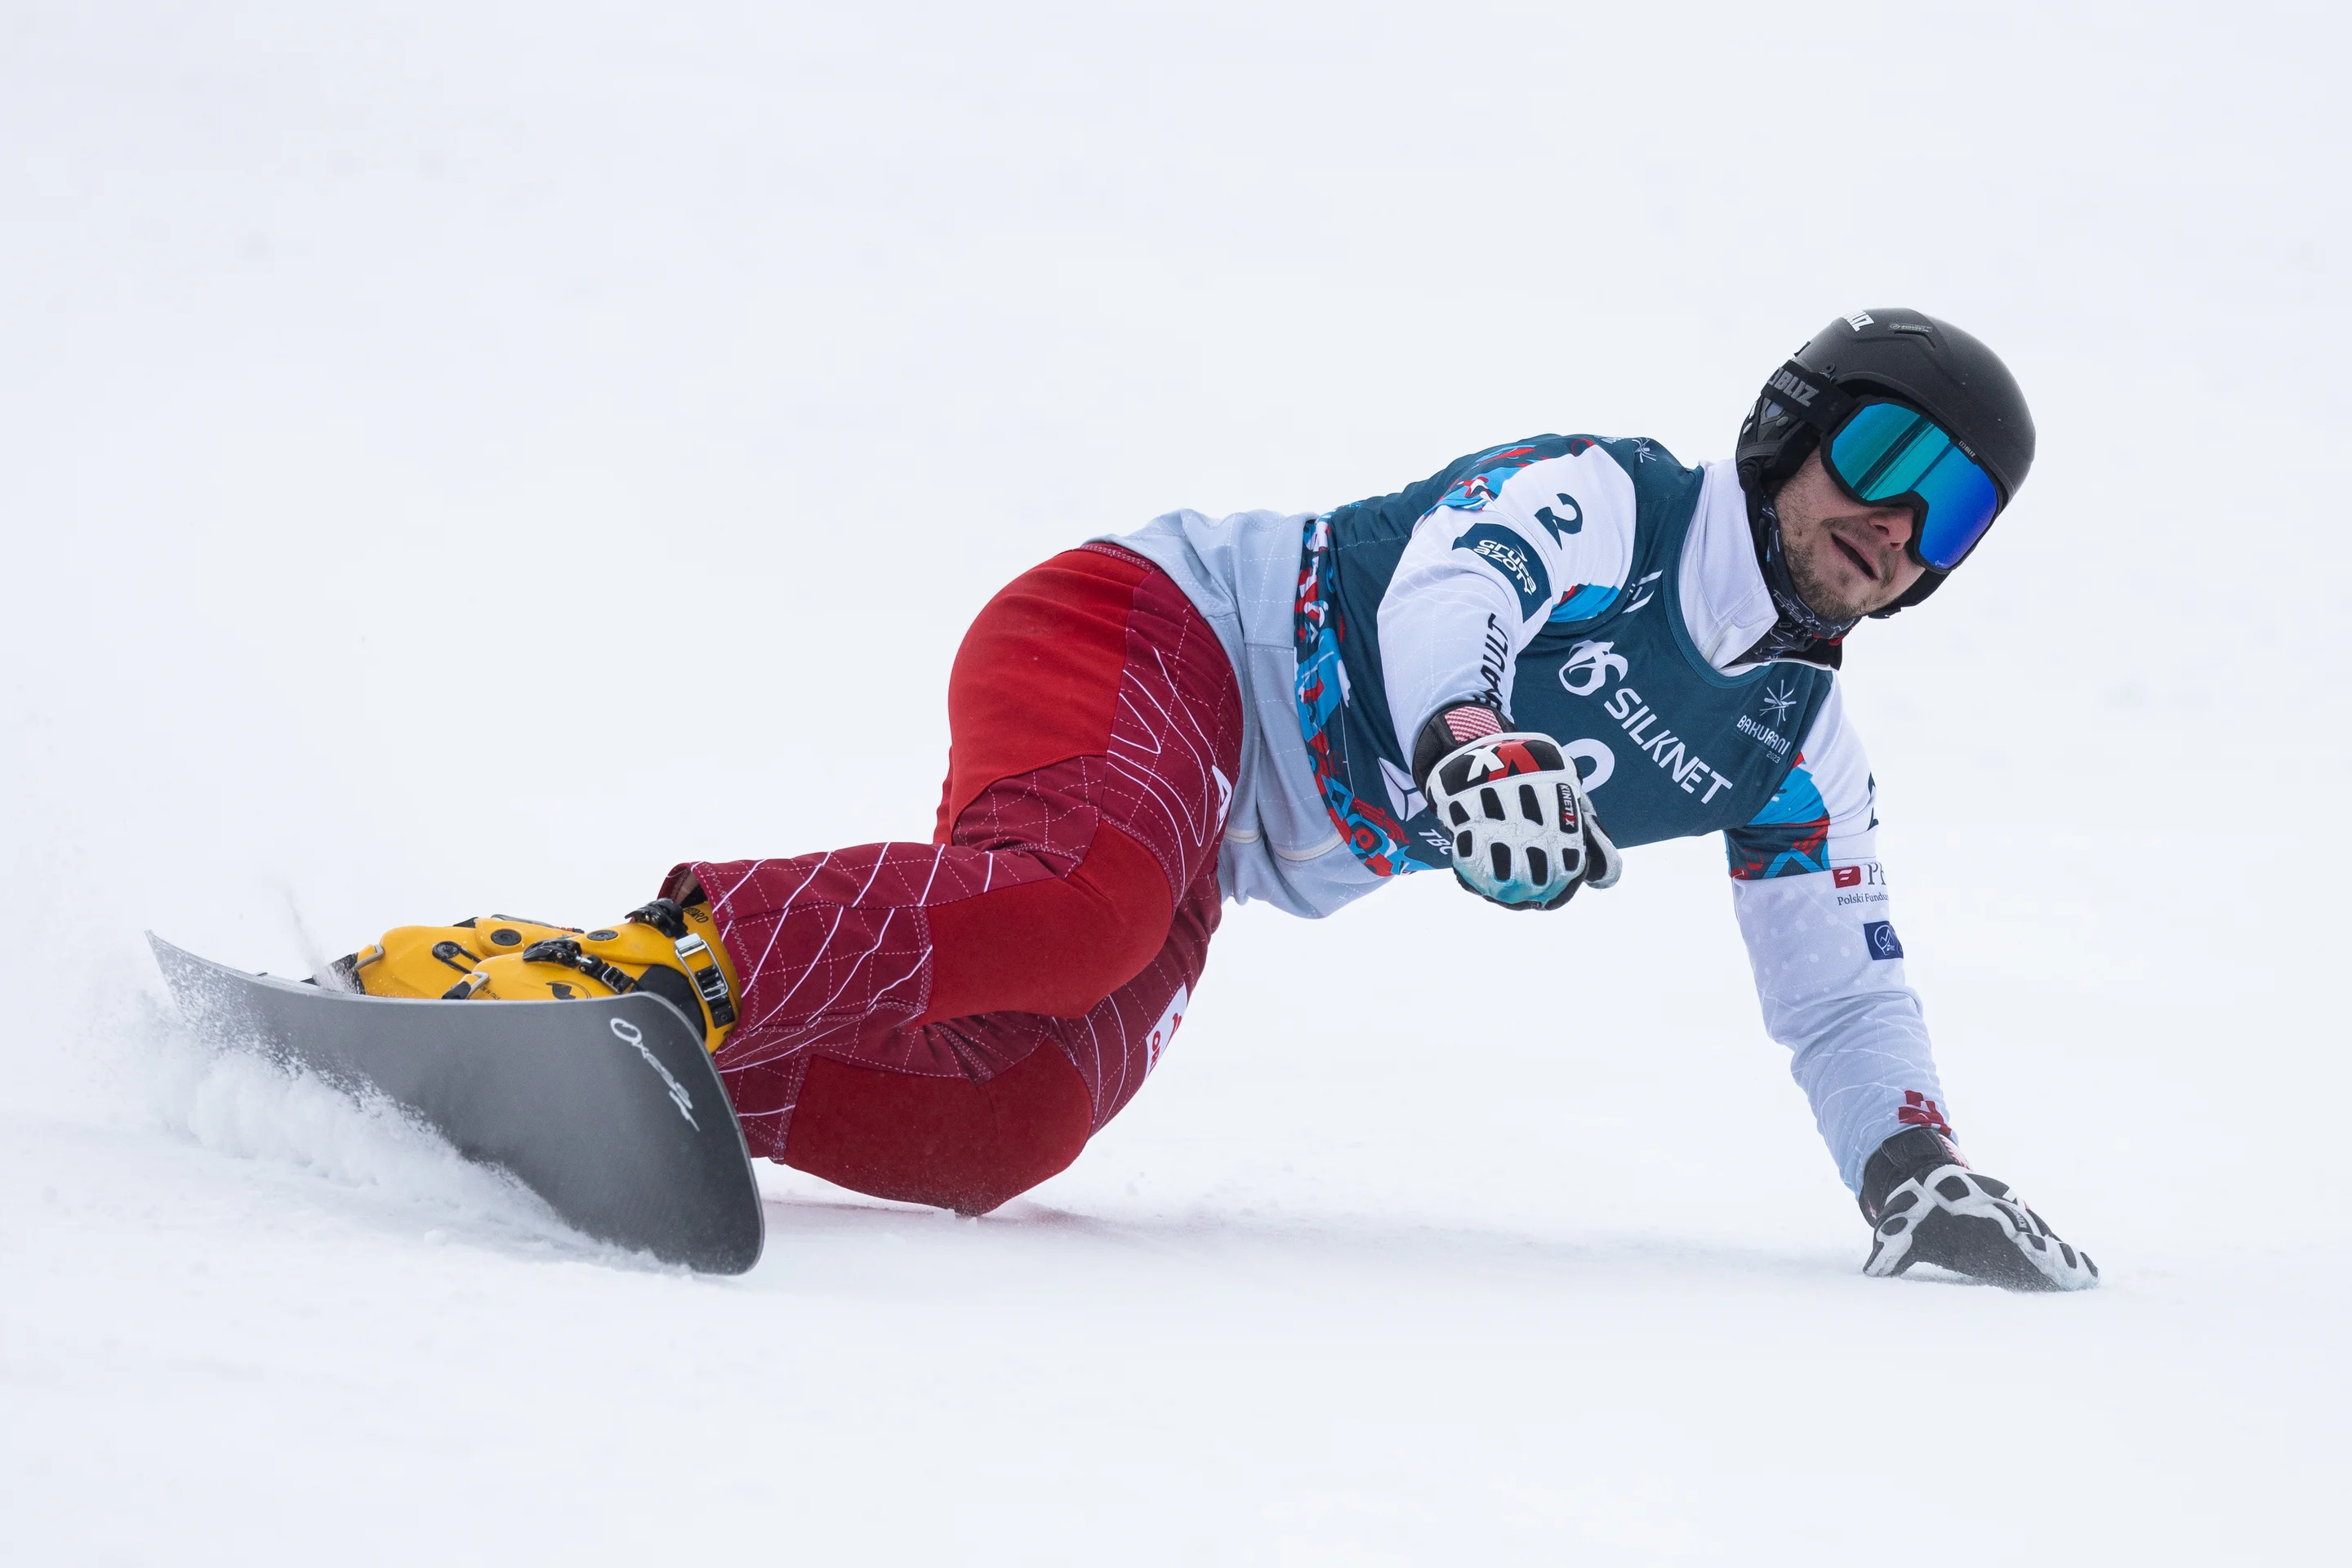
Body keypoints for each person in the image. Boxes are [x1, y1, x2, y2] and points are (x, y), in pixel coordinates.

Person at [336, 308, 2097, 1291]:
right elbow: (1456, 586)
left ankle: (607, 1068)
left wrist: (1912, 1168)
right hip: (1149, 635)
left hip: (1221, 837)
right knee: (1080, 902)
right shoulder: (1617, 503)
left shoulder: (1795, 742)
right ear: (1791, 426)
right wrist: (1472, 737)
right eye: (1884, 457)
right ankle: (648, 968)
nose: (1894, 524)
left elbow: (1842, 984)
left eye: (1950, 514)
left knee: (1015, 1121)